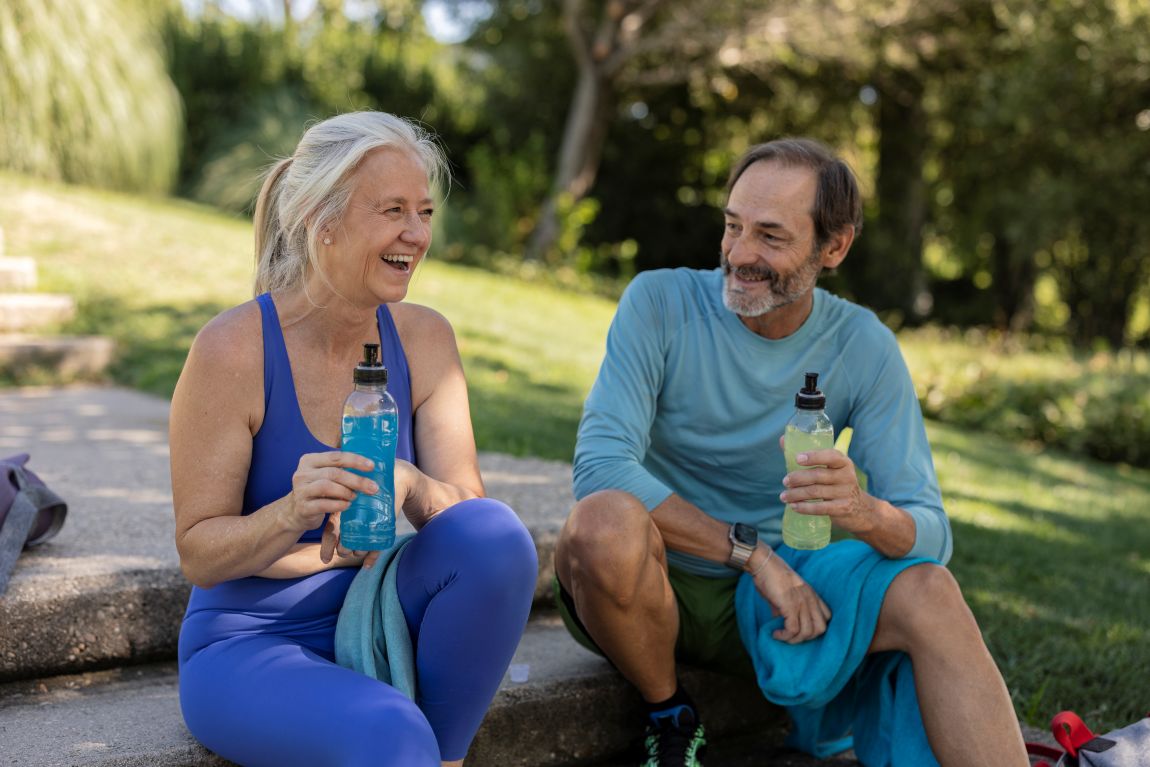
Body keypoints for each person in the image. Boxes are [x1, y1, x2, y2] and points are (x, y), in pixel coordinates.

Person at [553, 138, 1029, 766]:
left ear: (834, 247)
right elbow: (600, 467)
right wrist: (755, 557)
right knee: (601, 522)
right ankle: (670, 715)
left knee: (932, 591)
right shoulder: (660, 302)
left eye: (771, 237)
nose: (740, 254)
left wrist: (862, 511)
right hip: (653, 578)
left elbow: (931, 533)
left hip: (791, 605)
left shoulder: (863, 345)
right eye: (732, 226)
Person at [170, 111, 538, 767]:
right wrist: (292, 512)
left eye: (424, 211)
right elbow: (200, 554)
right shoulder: (232, 349)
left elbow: (470, 525)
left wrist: (409, 483)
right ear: (323, 219)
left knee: (497, 535)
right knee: (389, 733)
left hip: (381, 607)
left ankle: (445, 757)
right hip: (251, 640)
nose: (417, 234)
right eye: (393, 210)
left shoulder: (425, 339)